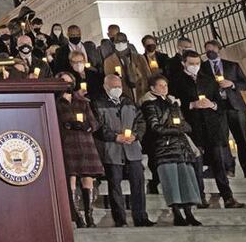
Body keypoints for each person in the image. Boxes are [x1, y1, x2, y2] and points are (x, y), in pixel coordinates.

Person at [180, 50, 246, 209]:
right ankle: (200, 197)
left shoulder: (208, 80)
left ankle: (228, 197)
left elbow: (220, 102)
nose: (195, 66)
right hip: (193, 128)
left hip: (212, 127)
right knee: (197, 164)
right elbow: (175, 104)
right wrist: (191, 105)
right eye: (191, 64)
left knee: (219, 164)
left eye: (197, 63)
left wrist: (213, 105)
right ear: (184, 63)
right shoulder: (178, 81)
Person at [140, 75, 204, 226]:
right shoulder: (150, 105)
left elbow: (186, 125)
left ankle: (189, 212)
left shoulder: (173, 104)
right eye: (160, 86)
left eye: (165, 86)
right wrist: (175, 129)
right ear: (152, 88)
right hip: (165, 148)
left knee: (186, 179)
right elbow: (155, 127)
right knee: (171, 181)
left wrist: (179, 127)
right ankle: (176, 212)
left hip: (181, 148)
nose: (164, 88)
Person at [91, 74, 153, 227]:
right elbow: (97, 126)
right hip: (112, 150)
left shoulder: (128, 101)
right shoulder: (98, 103)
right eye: (114, 87)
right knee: (115, 186)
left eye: (119, 86)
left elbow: (140, 121)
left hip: (132, 149)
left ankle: (141, 217)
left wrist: (136, 135)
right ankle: (120, 219)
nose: (117, 89)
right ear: (106, 87)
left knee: (138, 183)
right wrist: (114, 137)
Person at [202, 40, 246, 177]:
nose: (209, 52)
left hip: (235, 106)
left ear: (218, 49)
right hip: (217, 107)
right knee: (223, 139)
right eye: (207, 50)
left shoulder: (232, 65)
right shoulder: (203, 68)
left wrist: (232, 84)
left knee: (242, 139)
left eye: (212, 49)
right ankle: (229, 168)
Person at [55, 71, 104, 228]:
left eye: (69, 81)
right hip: (67, 142)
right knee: (72, 178)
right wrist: (67, 126)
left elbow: (95, 123)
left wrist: (87, 126)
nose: (67, 84)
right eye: (63, 81)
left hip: (85, 143)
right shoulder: (55, 102)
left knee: (87, 178)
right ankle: (77, 216)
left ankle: (89, 215)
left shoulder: (82, 102)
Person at [103, 33, 150, 100]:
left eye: (123, 41)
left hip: (141, 91)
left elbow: (148, 75)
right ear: (114, 43)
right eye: (117, 42)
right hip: (124, 94)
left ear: (127, 42)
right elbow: (110, 80)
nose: (120, 44)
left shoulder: (139, 57)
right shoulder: (109, 61)